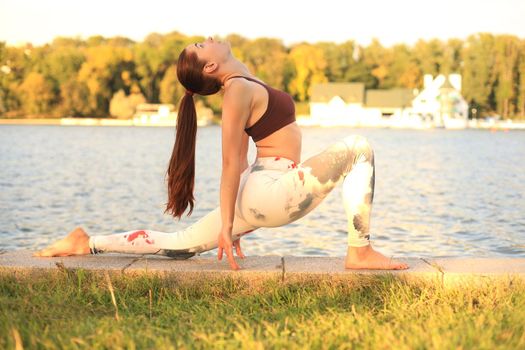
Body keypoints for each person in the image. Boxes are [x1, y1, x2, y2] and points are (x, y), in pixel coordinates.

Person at [34, 37, 409, 271]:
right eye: (201, 45)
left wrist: (236, 221)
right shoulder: (237, 91)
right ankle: (359, 251)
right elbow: (231, 163)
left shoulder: (243, 82)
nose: (208, 38)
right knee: (359, 148)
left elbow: (242, 163)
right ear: (211, 67)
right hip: (268, 188)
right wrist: (229, 225)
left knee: (179, 245)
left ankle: (86, 242)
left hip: (262, 186)